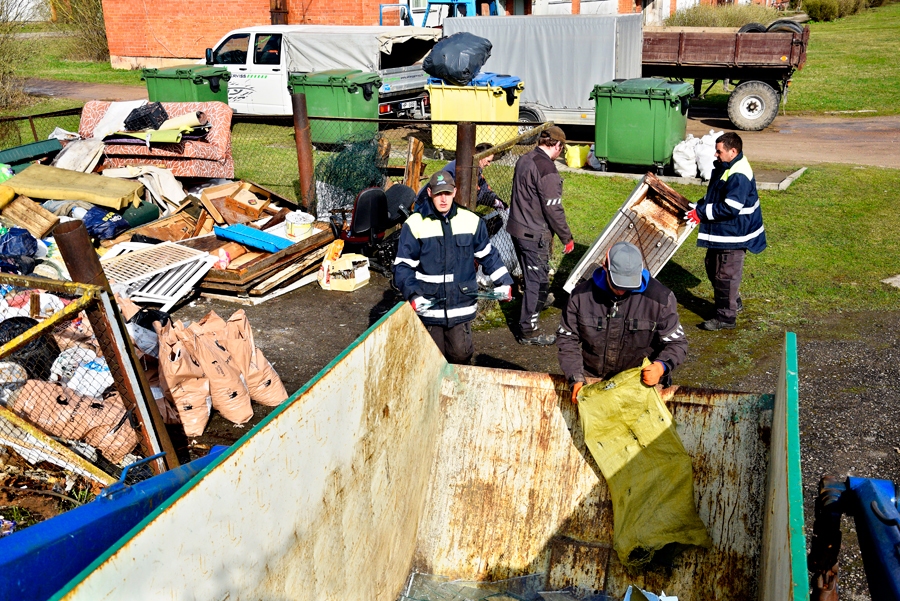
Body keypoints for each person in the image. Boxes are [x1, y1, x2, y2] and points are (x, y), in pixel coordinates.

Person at [393, 170, 514, 364]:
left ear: (455, 192)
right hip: (430, 307)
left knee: (461, 355)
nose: (443, 199)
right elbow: (403, 267)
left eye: (447, 194)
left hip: (460, 306)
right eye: (439, 194)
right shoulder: (415, 224)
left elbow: (488, 255)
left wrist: (504, 282)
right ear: (430, 193)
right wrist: (414, 295)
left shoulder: (472, 221)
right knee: (431, 359)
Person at [556, 242, 687, 403]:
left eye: (629, 285)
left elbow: (677, 343)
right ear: (605, 268)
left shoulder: (660, 299)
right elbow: (567, 338)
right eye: (618, 285)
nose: (623, 291)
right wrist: (575, 377)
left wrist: (661, 366)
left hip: (639, 385)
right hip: (594, 382)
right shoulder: (581, 296)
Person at [685, 132, 766, 331]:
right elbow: (716, 196)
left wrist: (701, 213)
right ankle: (733, 301)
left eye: (719, 151)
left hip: (734, 236)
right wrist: (697, 206)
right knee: (713, 267)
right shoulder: (728, 167)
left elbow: (731, 207)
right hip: (727, 233)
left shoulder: (739, 174)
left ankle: (726, 318)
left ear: (733, 151)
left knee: (725, 276)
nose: (715, 154)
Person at [507, 125, 574, 346]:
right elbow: (553, 210)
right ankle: (528, 331)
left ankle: (536, 303)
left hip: (517, 229)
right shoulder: (548, 171)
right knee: (536, 281)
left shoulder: (525, 159)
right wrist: (567, 237)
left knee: (534, 277)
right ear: (558, 145)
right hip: (534, 234)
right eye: (561, 149)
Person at [414, 143, 507, 213]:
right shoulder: (466, 169)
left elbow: (484, 187)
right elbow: (476, 194)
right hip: (426, 204)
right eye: (488, 161)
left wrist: (498, 201)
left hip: (440, 204)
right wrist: (494, 202)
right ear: (480, 156)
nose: (489, 164)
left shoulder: (474, 166)